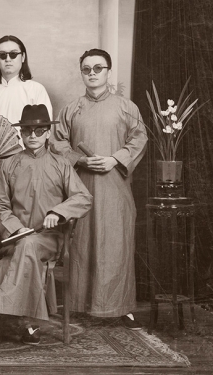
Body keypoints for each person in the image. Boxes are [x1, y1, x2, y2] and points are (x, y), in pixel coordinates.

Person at [52, 48, 147, 329]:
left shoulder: (126, 107)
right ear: (81, 73)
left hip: (116, 189)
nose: (92, 73)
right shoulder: (71, 109)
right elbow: (57, 143)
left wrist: (114, 159)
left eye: (98, 68)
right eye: (86, 69)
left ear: (108, 72)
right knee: (83, 246)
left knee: (116, 246)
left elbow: (139, 139)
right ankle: (79, 305)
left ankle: (122, 306)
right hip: (81, 188)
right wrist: (80, 159)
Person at [0, 104, 92, 346]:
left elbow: (83, 197)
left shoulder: (61, 164)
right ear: (20, 134)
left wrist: (58, 212)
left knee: (27, 246)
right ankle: (29, 325)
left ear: (48, 133)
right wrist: (15, 228)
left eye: (39, 131)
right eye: (27, 131)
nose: (33, 136)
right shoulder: (9, 164)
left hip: (49, 238)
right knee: (9, 260)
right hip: (15, 238)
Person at [0, 35, 53, 154]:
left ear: (23, 57)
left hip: (25, 159)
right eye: (2, 55)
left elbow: (44, 131)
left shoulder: (36, 90)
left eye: (13, 54)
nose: (8, 59)